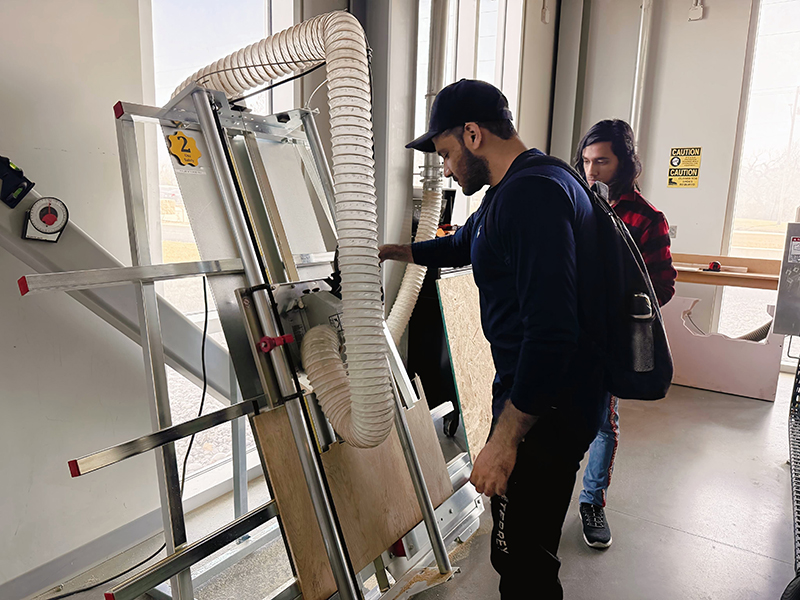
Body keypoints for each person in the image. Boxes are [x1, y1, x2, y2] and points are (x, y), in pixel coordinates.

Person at [380, 79, 609, 599]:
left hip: (548, 410)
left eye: (445, 153)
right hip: (541, 398)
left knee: (521, 560)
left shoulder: (533, 197)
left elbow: (552, 334)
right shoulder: (517, 187)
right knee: (517, 552)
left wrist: (504, 441)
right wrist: (394, 251)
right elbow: (466, 244)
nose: (445, 167)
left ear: (473, 134)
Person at [573, 119, 677, 549]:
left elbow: (663, 286)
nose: (592, 171)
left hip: (611, 340)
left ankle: (591, 501)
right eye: (585, 161)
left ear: (625, 164)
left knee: (603, 424)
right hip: (569, 333)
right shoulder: (573, 204)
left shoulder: (648, 219)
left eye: (602, 161)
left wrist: (623, 304)